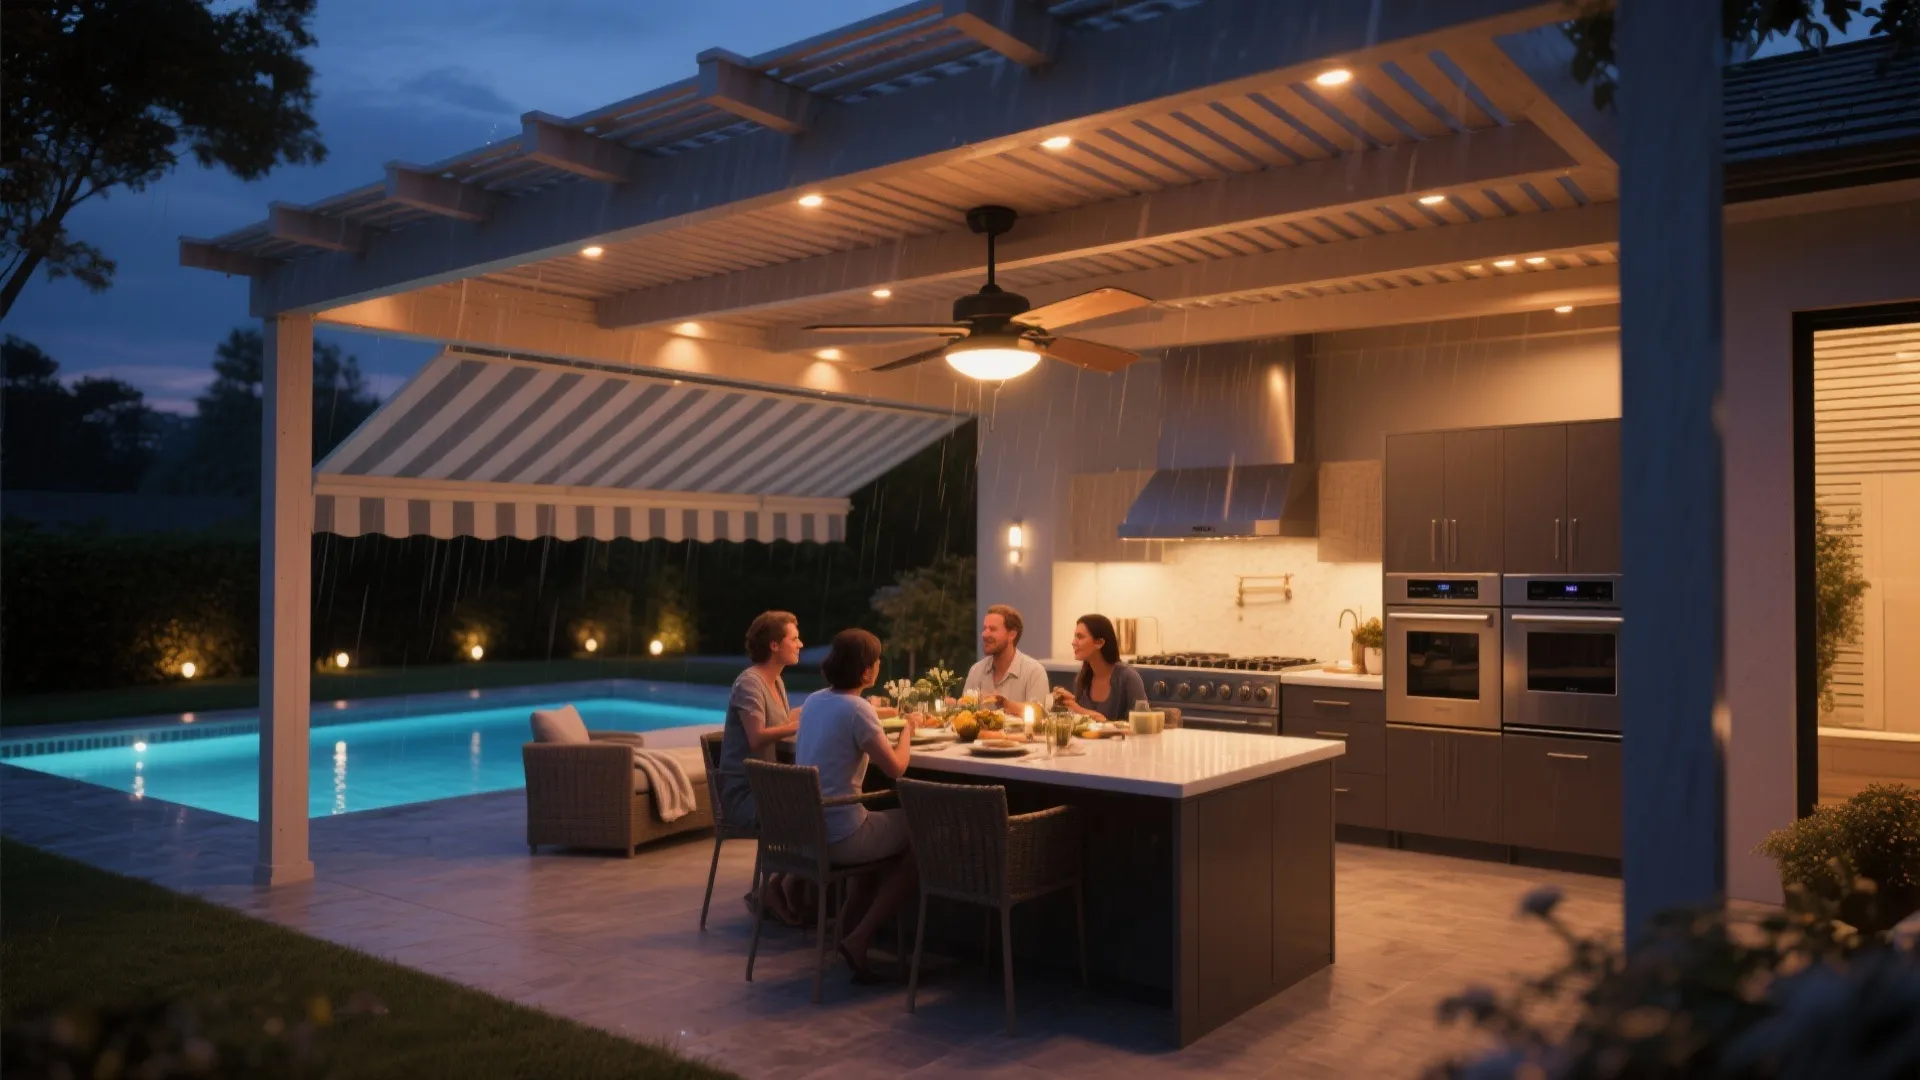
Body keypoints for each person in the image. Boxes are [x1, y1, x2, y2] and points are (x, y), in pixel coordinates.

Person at [794, 628, 919, 983]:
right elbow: (896, 768)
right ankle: (860, 936)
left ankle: (844, 936)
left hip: (807, 831)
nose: (878, 666)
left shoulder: (815, 700)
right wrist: (908, 729)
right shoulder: (857, 709)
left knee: (876, 842)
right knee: (922, 833)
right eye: (876, 661)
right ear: (866, 671)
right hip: (840, 834)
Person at [719, 611, 805, 925]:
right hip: (746, 793)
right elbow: (756, 737)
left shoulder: (775, 680)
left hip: (769, 788)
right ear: (774, 645)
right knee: (819, 813)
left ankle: (781, 885)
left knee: (823, 807)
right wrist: (799, 724)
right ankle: (778, 885)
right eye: (794, 638)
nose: (800, 644)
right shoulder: (750, 683)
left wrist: (814, 710)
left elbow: (781, 722)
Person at [1053, 614, 1148, 722]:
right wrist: (1070, 702)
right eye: (1075, 636)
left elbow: (1143, 724)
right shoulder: (1082, 679)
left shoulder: (1128, 678)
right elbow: (1083, 722)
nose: (1073, 642)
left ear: (1099, 643)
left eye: (1080, 637)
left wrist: (1078, 709)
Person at [960, 604, 1050, 713]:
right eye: (985, 628)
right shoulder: (976, 670)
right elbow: (964, 712)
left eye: (992, 629)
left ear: (1012, 635)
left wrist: (1004, 703)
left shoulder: (1034, 672)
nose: (984, 634)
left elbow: (1039, 714)